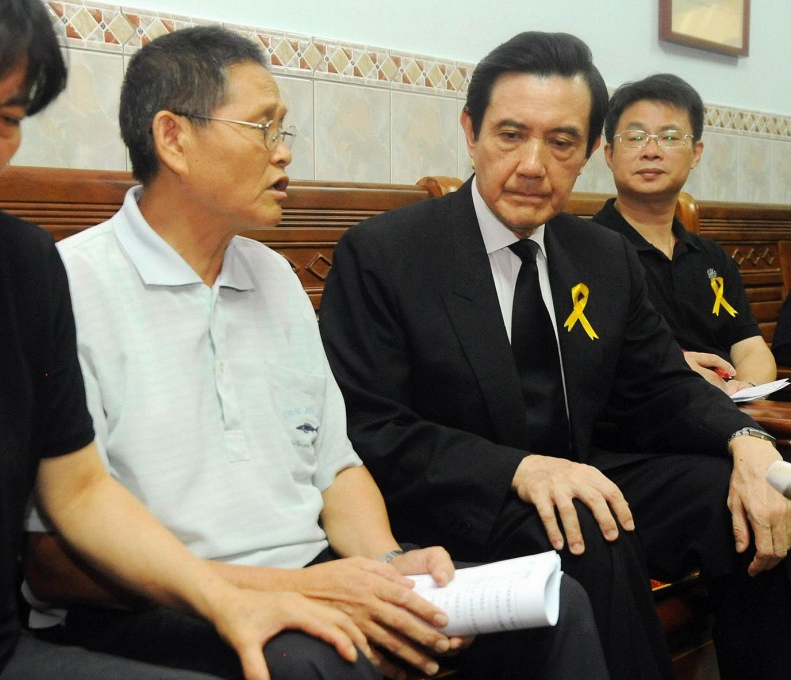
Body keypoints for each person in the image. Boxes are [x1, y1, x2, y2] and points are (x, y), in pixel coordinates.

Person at [0, 2, 370, 679]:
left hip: (0, 657)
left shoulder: (17, 263)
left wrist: (226, 599)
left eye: (8, 117)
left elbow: (80, 492)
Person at [23, 25, 608, 680]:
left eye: (285, 132)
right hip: (159, 603)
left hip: (318, 573)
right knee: (331, 660)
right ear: (174, 138)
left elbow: (336, 467)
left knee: (555, 609)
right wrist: (290, 592)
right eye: (264, 129)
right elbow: (54, 562)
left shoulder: (271, 277)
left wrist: (390, 568)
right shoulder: (67, 285)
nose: (283, 155)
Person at [318, 30, 791, 680]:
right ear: (471, 132)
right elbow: (372, 427)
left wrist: (745, 442)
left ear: (589, 151)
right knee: (589, 530)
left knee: (755, 498)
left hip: (582, 471)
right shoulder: (386, 255)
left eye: (561, 141)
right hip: (460, 490)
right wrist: (520, 469)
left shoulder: (602, 255)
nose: (534, 163)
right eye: (511, 134)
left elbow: (661, 388)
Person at [592, 73, 776, 395]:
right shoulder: (588, 249)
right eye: (635, 137)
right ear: (609, 155)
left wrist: (746, 389)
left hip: (731, 415)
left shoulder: (713, 258)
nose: (651, 151)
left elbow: (750, 348)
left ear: (696, 153)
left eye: (670, 137)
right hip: (644, 423)